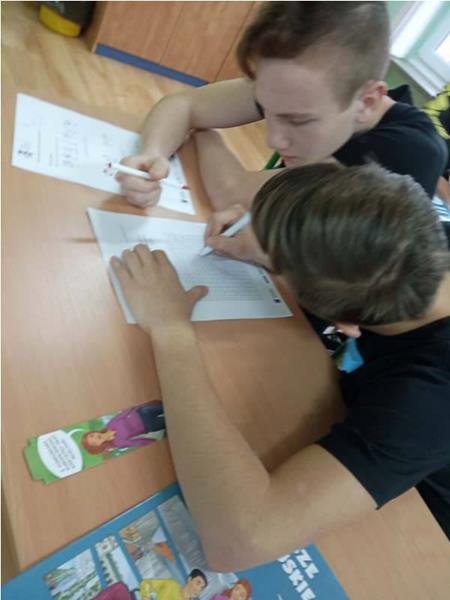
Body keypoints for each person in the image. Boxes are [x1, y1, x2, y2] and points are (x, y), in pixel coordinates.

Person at [110, 163, 450, 571]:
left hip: (420, 524)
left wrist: (170, 330)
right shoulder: (421, 249)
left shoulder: (426, 399)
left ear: (343, 325)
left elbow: (240, 540)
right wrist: (274, 248)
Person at [117, 1, 447, 244]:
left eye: (297, 121)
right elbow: (182, 103)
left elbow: (234, 194)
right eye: (267, 108)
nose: (273, 140)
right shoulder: (299, 90)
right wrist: (153, 154)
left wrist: (203, 132)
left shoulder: (404, 151)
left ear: (368, 101)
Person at [81, 401, 165, 454]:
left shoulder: (110, 424)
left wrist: (136, 405)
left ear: (93, 432)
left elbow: (124, 413)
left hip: (143, 412)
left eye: (92, 435)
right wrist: (153, 442)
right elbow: (136, 442)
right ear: (98, 446)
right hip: (149, 425)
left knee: (167, 405)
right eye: (94, 442)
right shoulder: (118, 443)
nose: (95, 438)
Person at [140, 569, 208, 600]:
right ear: (189, 579)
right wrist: (145, 597)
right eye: (198, 583)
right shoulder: (171, 585)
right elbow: (146, 584)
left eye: (202, 588)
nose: (198, 589)